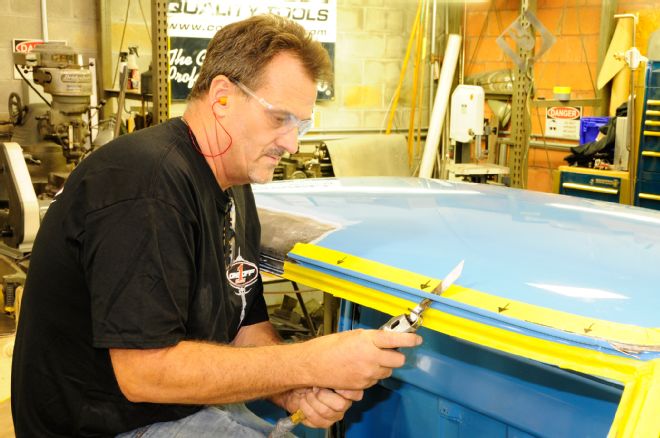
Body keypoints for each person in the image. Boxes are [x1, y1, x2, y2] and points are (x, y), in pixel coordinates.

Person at [11, 14, 422, 437]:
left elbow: (244, 323)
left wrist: (294, 390)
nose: (292, 143)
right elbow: (144, 372)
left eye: (301, 125)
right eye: (280, 118)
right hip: (103, 424)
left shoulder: (233, 184)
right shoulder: (146, 184)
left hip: (173, 409)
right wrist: (312, 360)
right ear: (223, 97)